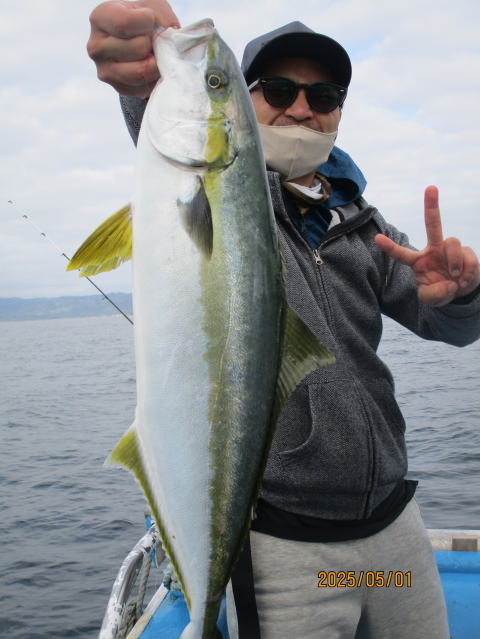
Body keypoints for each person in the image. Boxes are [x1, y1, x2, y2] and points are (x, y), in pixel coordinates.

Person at [87, 2, 480, 638]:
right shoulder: (228, 196)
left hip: (392, 530)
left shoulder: (365, 227)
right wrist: (143, 67)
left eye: (323, 96)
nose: (301, 109)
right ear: (245, 102)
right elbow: (174, 121)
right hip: (283, 549)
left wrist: (463, 295)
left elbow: (454, 329)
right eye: (277, 90)